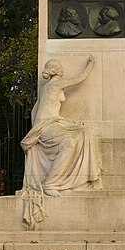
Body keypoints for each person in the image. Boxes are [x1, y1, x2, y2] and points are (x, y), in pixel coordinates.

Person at [19, 56, 101, 210]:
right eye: (59, 67)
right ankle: (51, 182)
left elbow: (34, 110)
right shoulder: (56, 84)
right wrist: (90, 64)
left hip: (52, 123)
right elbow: (80, 78)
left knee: (84, 132)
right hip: (48, 126)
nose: (62, 69)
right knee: (69, 143)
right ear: (56, 70)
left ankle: (86, 176)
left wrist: (40, 124)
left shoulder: (47, 88)